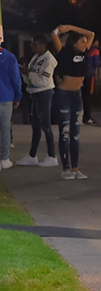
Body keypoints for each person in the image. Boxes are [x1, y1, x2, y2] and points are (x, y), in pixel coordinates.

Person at [51, 24, 95, 180]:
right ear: (74, 43)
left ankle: (76, 168)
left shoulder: (84, 53)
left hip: (77, 96)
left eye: (85, 43)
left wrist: (72, 28)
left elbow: (91, 34)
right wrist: (62, 30)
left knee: (76, 134)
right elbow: (54, 35)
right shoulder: (64, 52)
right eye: (81, 42)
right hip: (63, 95)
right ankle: (66, 169)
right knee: (65, 132)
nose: (85, 44)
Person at [16, 34, 58, 167]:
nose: (32, 47)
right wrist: (25, 74)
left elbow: (44, 81)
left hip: (44, 94)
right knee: (36, 126)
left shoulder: (49, 59)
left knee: (45, 125)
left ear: (43, 44)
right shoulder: (36, 57)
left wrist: (29, 73)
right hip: (34, 93)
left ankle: (52, 156)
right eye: (32, 44)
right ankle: (32, 155)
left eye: (35, 44)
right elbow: (31, 78)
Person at [0, 43, 22, 170]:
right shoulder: (9, 57)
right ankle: (5, 159)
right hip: (6, 96)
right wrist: (18, 96)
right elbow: (16, 79)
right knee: (6, 128)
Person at [81, 38, 100, 124]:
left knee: (83, 96)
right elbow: (96, 63)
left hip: (83, 76)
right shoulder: (95, 51)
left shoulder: (85, 50)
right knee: (89, 96)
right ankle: (87, 117)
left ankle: (82, 115)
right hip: (90, 75)